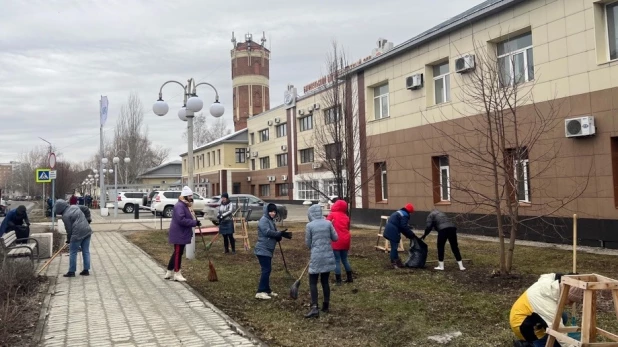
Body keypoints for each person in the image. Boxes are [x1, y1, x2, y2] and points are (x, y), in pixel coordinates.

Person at [510, 273, 583, 347]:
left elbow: (549, 275)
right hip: (522, 324)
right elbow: (558, 329)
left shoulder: (548, 282)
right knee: (556, 343)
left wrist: (567, 277)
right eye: (570, 300)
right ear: (565, 294)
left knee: (563, 316)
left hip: (530, 315)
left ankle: (546, 334)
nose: (570, 304)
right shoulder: (547, 304)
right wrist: (571, 345)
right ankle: (527, 344)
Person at [304, 204, 338, 318]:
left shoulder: (309, 226)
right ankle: (326, 305)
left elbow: (308, 244)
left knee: (313, 282)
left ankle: (314, 308)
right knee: (325, 281)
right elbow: (335, 238)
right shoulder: (328, 223)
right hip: (328, 256)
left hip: (316, 257)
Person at [254, 203, 292, 300]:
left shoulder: (270, 220)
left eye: (274, 212)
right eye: (271, 211)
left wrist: (279, 236)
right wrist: (279, 233)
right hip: (262, 249)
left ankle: (267, 290)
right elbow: (266, 232)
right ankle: (260, 291)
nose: (273, 213)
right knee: (266, 270)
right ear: (267, 211)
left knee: (267, 270)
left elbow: (273, 232)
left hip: (268, 249)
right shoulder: (264, 220)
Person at [165, 186, 201, 282]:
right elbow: (181, 220)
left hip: (181, 233)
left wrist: (195, 221)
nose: (191, 198)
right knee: (178, 252)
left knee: (178, 252)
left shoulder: (184, 205)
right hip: (179, 233)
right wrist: (194, 223)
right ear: (185, 196)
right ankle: (177, 273)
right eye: (190, 196)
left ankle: (169, 271)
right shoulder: (180, 206)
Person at [54, 199, 92, 277]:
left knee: (73, 252)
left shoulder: (65, 216)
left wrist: (69, 240)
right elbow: (86, 208)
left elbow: (69, 230)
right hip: (87, 230)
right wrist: (88, 219)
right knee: (86, 251)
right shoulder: (75, 206)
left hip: (77, 233)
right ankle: (86, 270)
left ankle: (71, 272)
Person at [326, 199, 352, 285]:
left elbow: (326, 224)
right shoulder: (346, 216)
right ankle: (349, 277)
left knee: (336, 260)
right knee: (344, 259)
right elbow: (347, 228)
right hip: (346, 239)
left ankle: (338, 280)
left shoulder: (332, 215)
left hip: (336, 239)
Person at [383, 203, 416, 269]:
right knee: (394, 247)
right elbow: (403, 227)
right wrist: (411, 235)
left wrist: (408, 234)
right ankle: (394, 263)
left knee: (394, 247)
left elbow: (401, 226)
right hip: (393, 231)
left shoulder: (399, 212)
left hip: (388, 229)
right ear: (410, 211)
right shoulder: (405, 215)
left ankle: (396, 261)